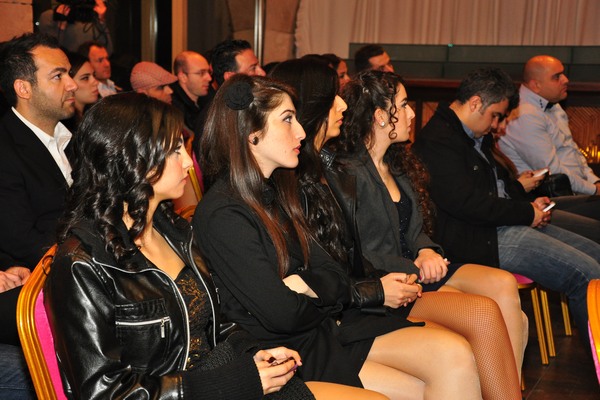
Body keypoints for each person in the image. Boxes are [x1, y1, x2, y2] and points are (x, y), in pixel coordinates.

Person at [45, 92, 386, 400]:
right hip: (210, 388)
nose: (187, 162)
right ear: (134, 160)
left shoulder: (173, 231)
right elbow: (105, 392)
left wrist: (254, 352)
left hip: (221, 380)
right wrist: (234, 381)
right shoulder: (82, 263)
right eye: (174, 150)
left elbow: (217, 322)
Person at [194, 74, 482, 399]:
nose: (301, 131)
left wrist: (307, 285)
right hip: (284, 354)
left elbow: (332, 271)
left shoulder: (277, 192)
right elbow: (283, 315)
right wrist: (321, 294)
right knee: (437, 367)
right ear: (252, 134)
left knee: (450, 359)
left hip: (319, 333)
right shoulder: (224, 214)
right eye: (287, 120)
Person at [271, 59, 521, 398]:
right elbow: (353, 257)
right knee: (477, 319)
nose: (412, 113)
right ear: (379, 115)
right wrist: (395, 276)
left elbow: (410, 229)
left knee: (499, 302)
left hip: (377, 286)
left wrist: (426, 249)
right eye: (403, 105)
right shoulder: (338, 172)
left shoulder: (389, 163)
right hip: (367, 295)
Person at [411, 67, 600, 352]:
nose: (498, 125)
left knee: (595, 257)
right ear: (476, 103)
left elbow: (498, 187)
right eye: (496, 116)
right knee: (586, 275)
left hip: (499, 225)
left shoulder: (471, 133)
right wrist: (527, 213)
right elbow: (469, 205)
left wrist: (527, 206)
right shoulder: (438, 141)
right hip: (480, 238)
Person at [0, 32, 76, 270]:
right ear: (24, 88)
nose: (72, 84)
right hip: (54, 274)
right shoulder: (5, 150)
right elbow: (21, 241)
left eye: (69, 73)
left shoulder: (75, 138)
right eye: (58, 76)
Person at [501, 55, 600, 197]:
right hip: (544, 198)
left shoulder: (552, 104)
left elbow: (573, 152)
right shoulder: (525, 114)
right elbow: (551, 170)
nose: (565, 80)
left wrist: (594, 182)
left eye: (563, 74)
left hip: (573, 192)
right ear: (536, 85)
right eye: (557, 77)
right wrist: (593, 190)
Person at [38, 0, 113, 55]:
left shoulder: (94, 15)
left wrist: (101, 20)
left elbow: (108, 51)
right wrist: (62, 26)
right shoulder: (49, 17)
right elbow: (51, 53)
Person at [171, 51, 212, 131]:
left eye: (209, 72)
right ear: (183, 77)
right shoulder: (174, 111)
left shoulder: (207, 99)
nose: (209, 78)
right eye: (201, 73)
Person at [61, 51, 99, 132]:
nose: (96, 82)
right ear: (69, 83)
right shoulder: (65, 129)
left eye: (94, 75)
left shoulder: (93, 115)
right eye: (85, 78)